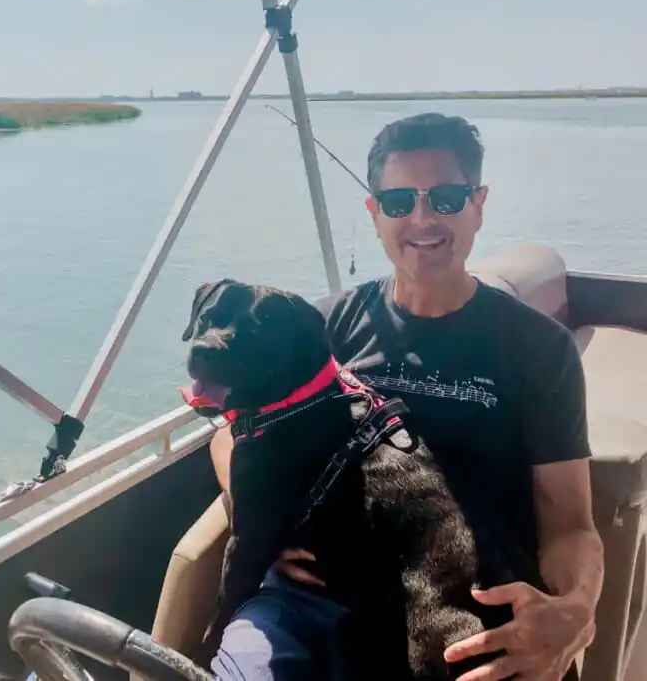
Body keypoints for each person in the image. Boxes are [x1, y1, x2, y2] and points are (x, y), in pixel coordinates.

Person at [207, 112, 604, 681]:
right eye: (398, 202)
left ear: (478, 204)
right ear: (374, 214)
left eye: (445, 197)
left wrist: (576, 609)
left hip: (459, 610)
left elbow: (569, 523)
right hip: (312, 600)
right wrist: (258, 519)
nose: (422, 218)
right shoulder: (322, 331)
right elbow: (230, 432)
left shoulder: (538, 348)